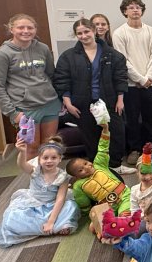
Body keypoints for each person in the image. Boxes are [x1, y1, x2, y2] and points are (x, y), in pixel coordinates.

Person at [54, 18, 127, 170]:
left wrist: (120, 100)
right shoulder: (68, 57)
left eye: (86, 31)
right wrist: (68, 104)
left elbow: (120, 78)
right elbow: (62, 81)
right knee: (90, 136)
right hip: (81, 103)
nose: (83, 36)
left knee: (116, 133)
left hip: (110, 101)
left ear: (94, 31)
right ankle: (95, 169)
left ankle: (115, 166)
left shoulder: (113, 55)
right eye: (79, 33)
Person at [0, 13, 61, 158]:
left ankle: (48, 180)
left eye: (30, 27)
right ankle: (35, 180)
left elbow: (52, 75)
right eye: (20, 27)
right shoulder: (3, 53)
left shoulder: (43, 48)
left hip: (50, 104)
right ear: (11, 29)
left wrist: (60, 99)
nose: (26, 31)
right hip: (25, 108)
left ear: (35, 29)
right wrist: (12, 113)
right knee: (32, 147)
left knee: (49, 146)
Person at [0, 135, 79, 247]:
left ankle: (51, 225)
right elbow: (22, 165)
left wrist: (51, 221)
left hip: (52, 205)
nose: (49, 161)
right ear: (39, 159)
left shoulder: (62, 177)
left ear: (60, 158)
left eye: (53, 158)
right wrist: (22, 152)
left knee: (71, 207)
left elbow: (60, 200)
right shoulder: (34, 170)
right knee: (12, 217)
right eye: (45, 158)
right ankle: (52, 227)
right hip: (32, 203)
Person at [112, 0, 152, 166]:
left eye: (138, 7)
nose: (135, 10)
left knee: (151, 117)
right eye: (131, 8)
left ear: (142, 10)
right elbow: (122, 60)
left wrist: (148, 78)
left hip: (151, 83)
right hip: (132, 85)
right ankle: (134, 149)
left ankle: (151, 147)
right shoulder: (119, 33)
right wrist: (139, 79)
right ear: (125, 11)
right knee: (132, 119)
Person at [66, 123, 131, 217]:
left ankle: (124, 216)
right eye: (81, 170)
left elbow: (103, 149)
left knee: (124, 216)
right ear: (76, 176)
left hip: (124, 194)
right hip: (107, 205)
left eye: (85, 163)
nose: (87, 167)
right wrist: (88, 211)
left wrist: (105, 130)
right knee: (97, 225)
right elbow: (82, 200)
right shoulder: (78, 185)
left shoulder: (99, 164)